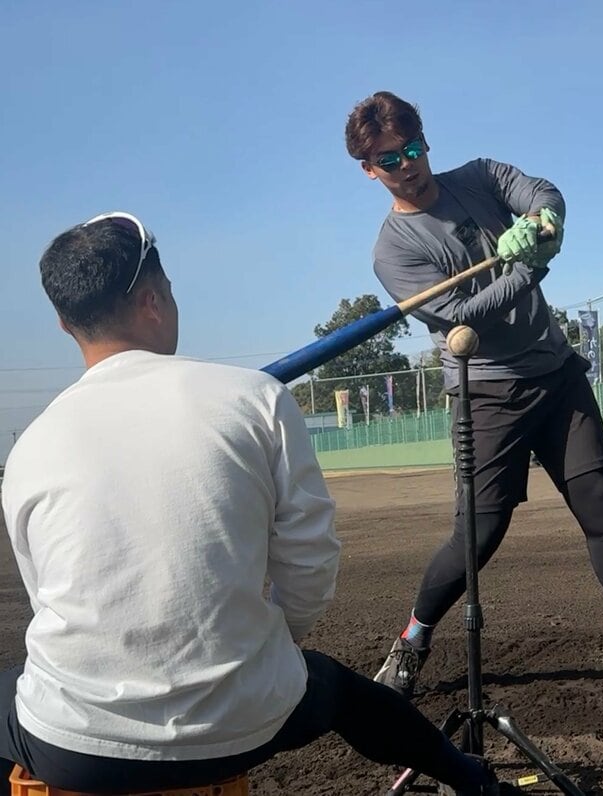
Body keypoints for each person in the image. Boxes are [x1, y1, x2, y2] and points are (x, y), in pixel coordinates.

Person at [0, 212, 502, 796]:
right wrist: (273, 646)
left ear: (64, 323)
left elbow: (46, 597)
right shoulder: (254, 397)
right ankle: (474, 781)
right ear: (154, 300)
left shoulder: (32, 444)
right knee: (344, 693)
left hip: (76, 747)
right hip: (248, 722)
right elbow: (310, 563)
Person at [344, 92, 603, 713]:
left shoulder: (480, 176)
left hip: (556, 375)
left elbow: (545, 192)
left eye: (412, 149)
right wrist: (529, 269)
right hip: (487, 391)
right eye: (389, 160)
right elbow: (462, 317)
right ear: (369, 170)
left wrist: (543, 222)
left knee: (600, 506)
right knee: (479, 534)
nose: (407, 165)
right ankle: (412, 641)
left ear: (425, 142)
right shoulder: (393, 251)